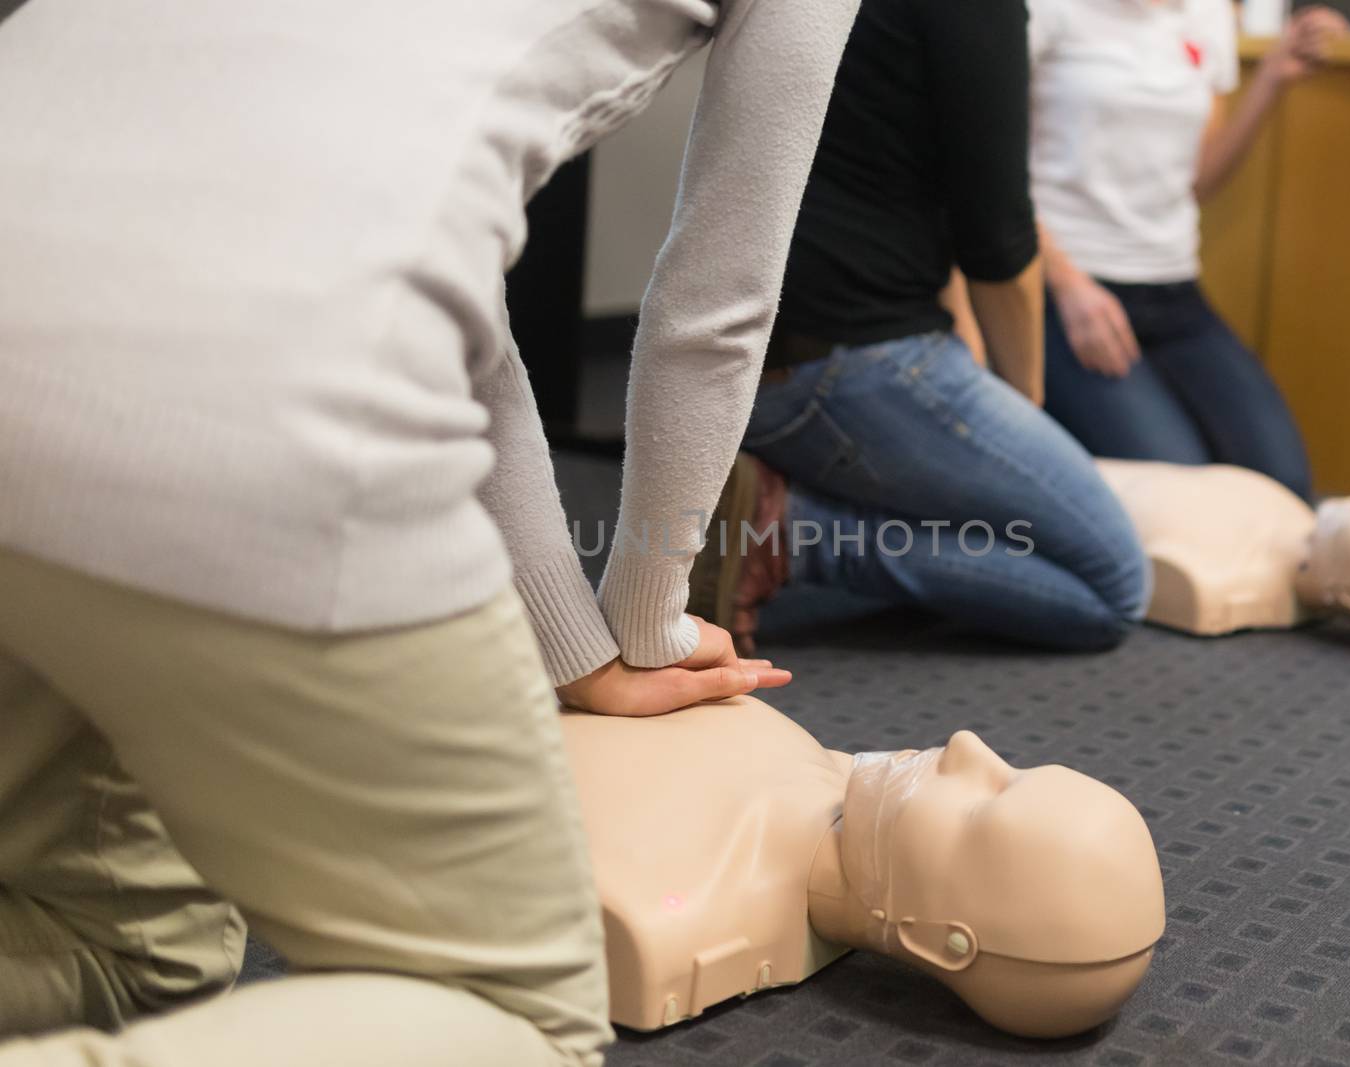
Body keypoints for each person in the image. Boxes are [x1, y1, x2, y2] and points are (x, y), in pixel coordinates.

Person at [0, 0, 855, 1063]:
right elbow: (715, 305)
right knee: (518, 1013)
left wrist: (571, 648)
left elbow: (426, 248)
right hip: (240, 373)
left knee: (122, 946)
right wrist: (648, 623)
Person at [689, 0, 1151, 656]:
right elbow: (997, 239)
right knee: (1114, 585)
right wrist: (1023, 411)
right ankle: (790, 534)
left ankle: (790, 488)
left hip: (718, 348)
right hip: (839, 363)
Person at [1027, 0, 1347, 501]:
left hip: (1174, 290)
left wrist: (1271, 80)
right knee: (1184, 499)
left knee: (1282, 485)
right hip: (1067, 291)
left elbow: (1197, 179)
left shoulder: (1207, 13)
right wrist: (1068, 286)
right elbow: (987, 172)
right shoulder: (1044, 10)